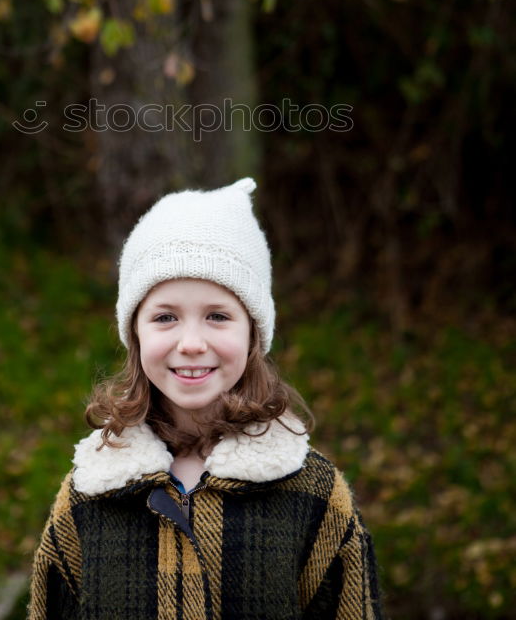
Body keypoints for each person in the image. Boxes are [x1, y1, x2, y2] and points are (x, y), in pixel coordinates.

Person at [28, 177, 385, 619]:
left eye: (217, 316)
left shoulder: (315, 495)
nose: (192, 342)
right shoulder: (89, 497)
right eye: (165, 317)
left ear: (253, 332)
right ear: (134, 334)